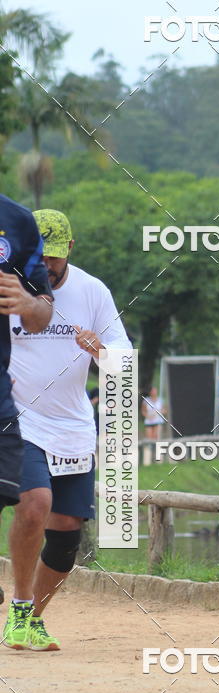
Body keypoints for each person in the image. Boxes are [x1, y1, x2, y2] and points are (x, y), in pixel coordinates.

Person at [2, 208, 131, 651]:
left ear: (70, 251)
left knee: (66, 533)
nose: (49, 266)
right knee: (35, 505)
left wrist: (100, 351)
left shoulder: (93, 291)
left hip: (73, 424)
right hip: (19, 418)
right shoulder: (9, 286)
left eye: (57, 258)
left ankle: (30, 620)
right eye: (43, 257)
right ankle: (19, 608)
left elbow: (123, 360)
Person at [0, 194, 53, 605]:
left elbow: (41, 313)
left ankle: (22, 605)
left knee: (14, 495)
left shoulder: (16, 221)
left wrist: (28, 303)